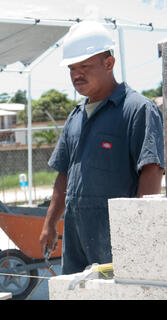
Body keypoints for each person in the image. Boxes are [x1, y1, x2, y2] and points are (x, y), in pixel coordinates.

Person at [39, 21, 165, 275]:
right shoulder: (75, 117)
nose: (77, 74)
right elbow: (64, 176)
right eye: (72, 68)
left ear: (109, 64)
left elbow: (152, 171)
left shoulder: (137, 109)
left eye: (85, 66)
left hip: (118, 239)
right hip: (77, 240)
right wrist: (50, 223)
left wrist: (137, 233)